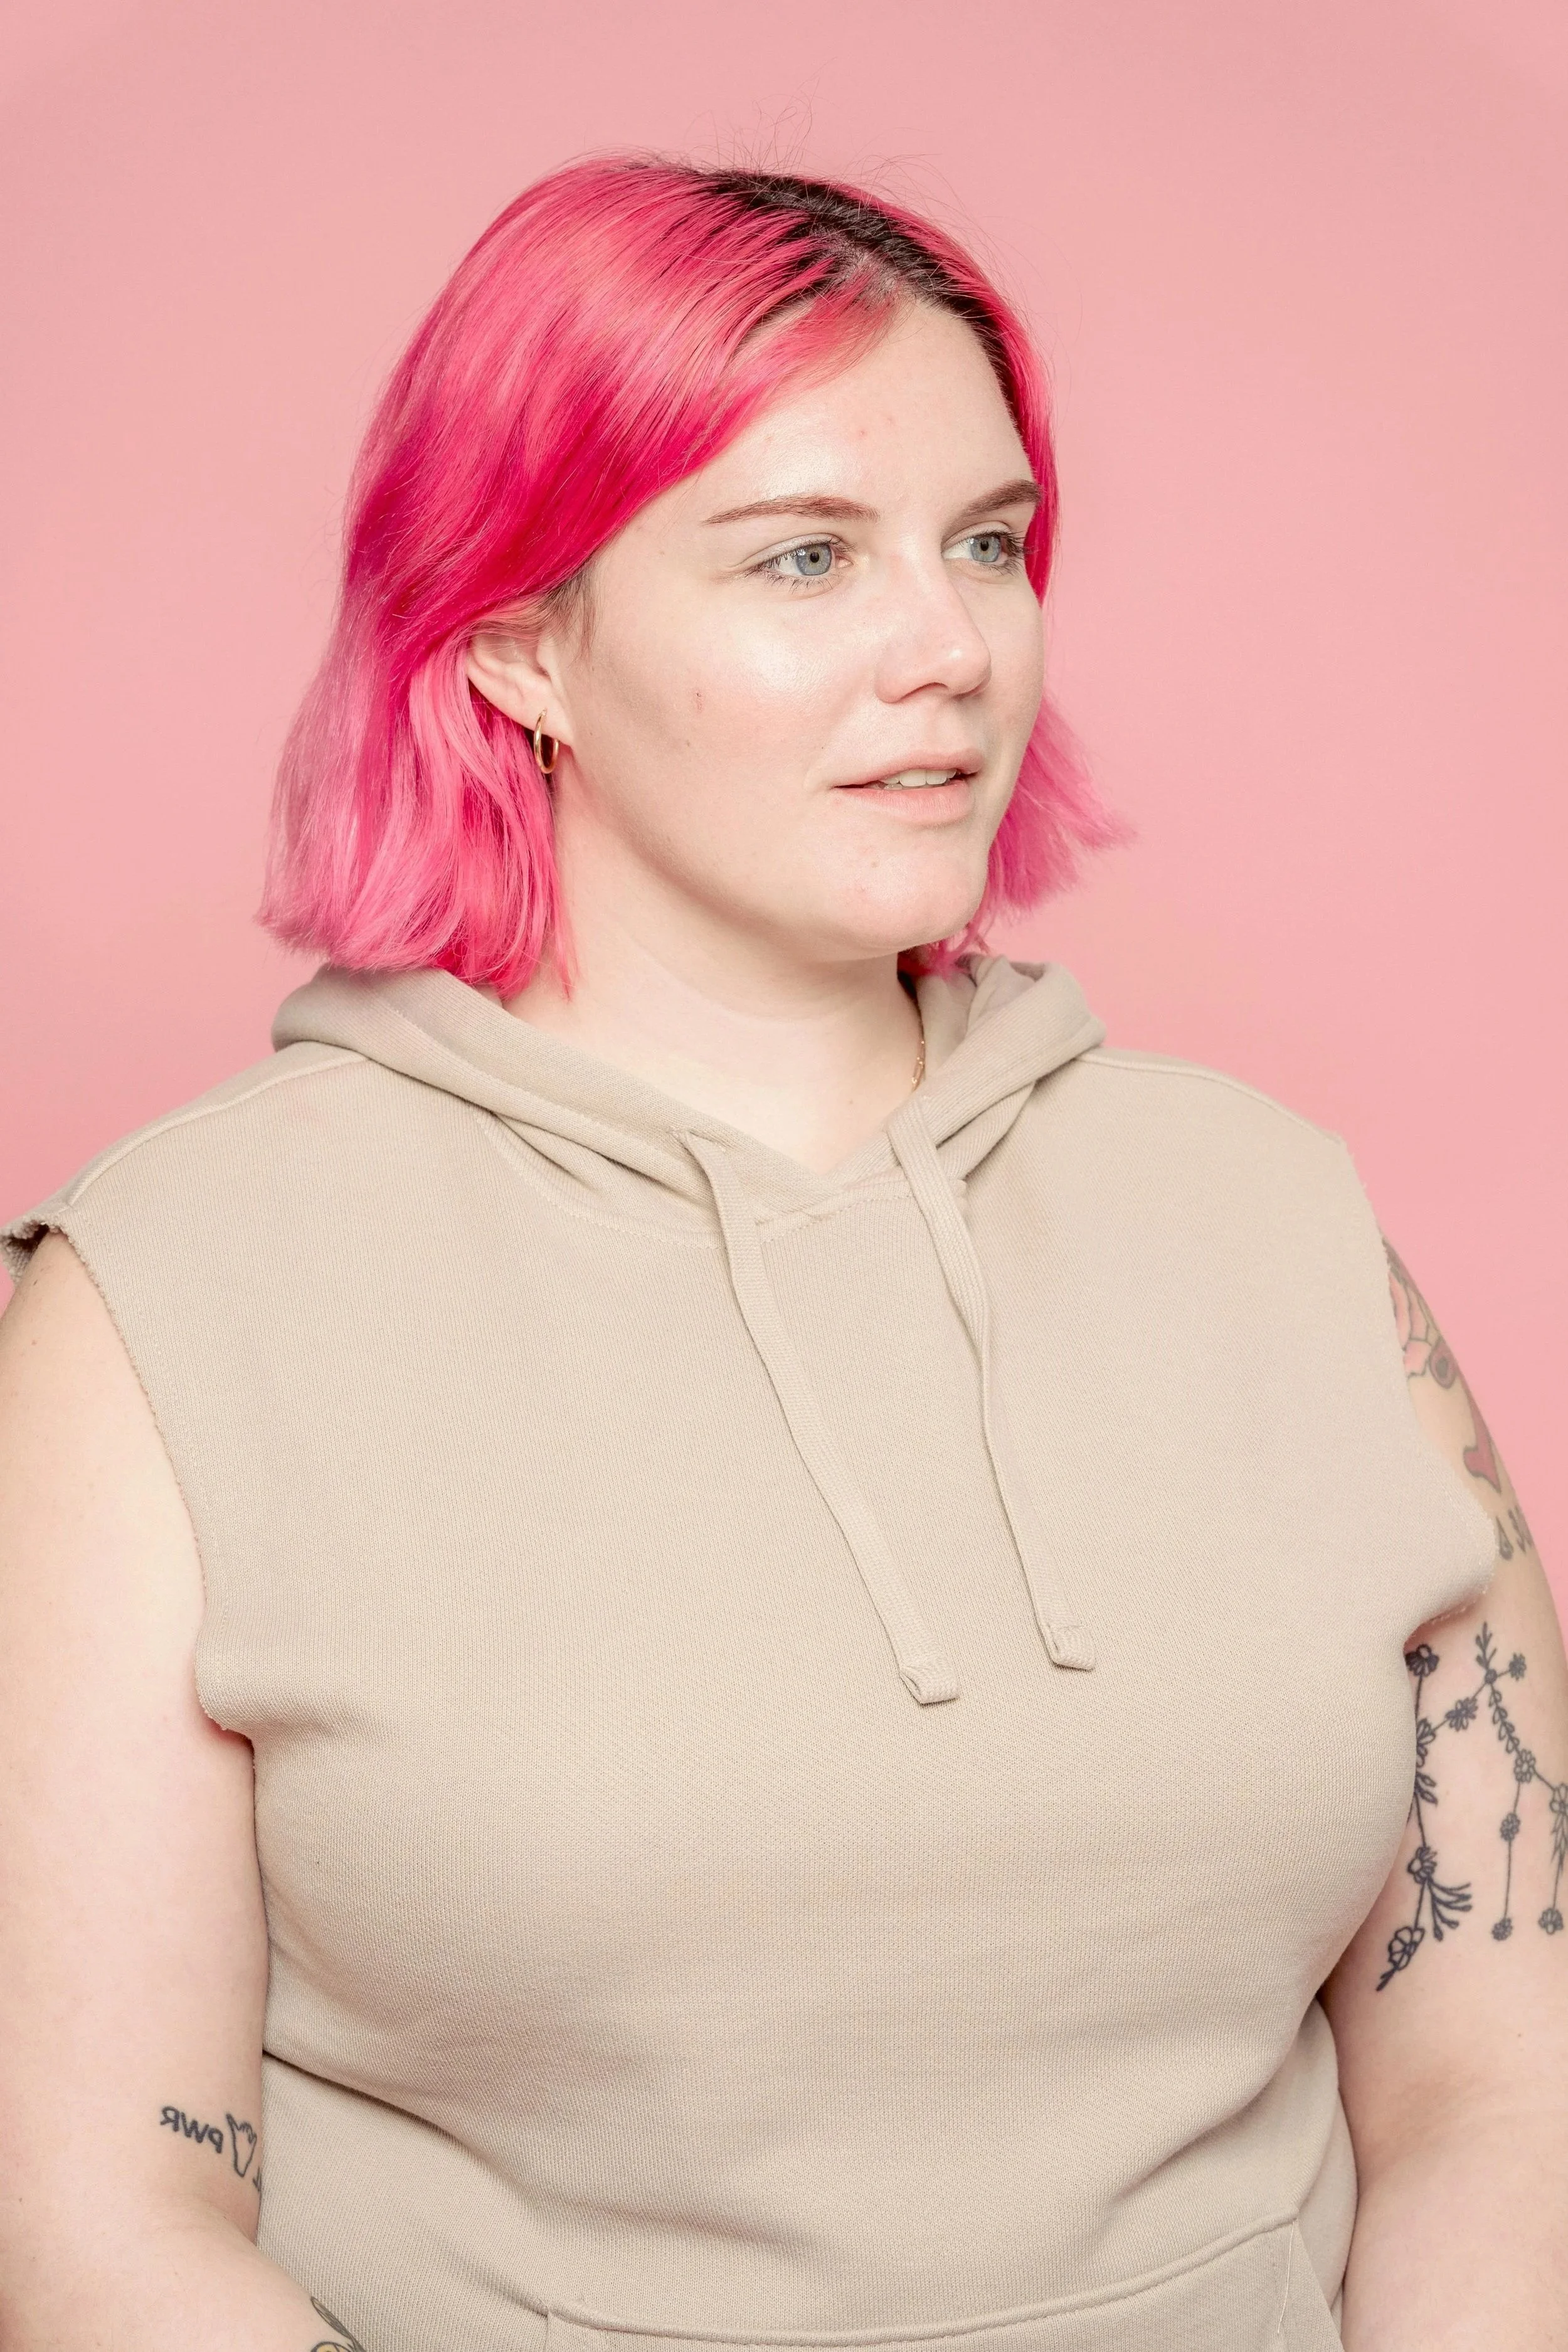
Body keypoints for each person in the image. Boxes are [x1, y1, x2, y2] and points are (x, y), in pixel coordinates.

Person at [0, 157, 1562, 2352]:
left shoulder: (1280, 1216)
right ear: (521, 637)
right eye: (807, 555)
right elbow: (101, 2237)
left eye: (989, 544)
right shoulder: (157, 1303)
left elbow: (1499, 2071)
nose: (949, 646)